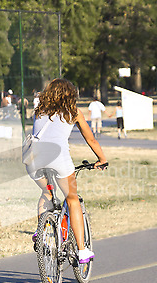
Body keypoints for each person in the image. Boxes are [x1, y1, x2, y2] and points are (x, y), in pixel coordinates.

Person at [28, 78, 108, 264]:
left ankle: (41, 233)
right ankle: (81, 250)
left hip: (33, 159)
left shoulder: (39, 111)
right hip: (58, 158)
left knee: (47, 192)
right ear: (71, 95)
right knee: (72, 199)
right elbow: (92, 140)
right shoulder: (73, 112)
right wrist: (102, 159)